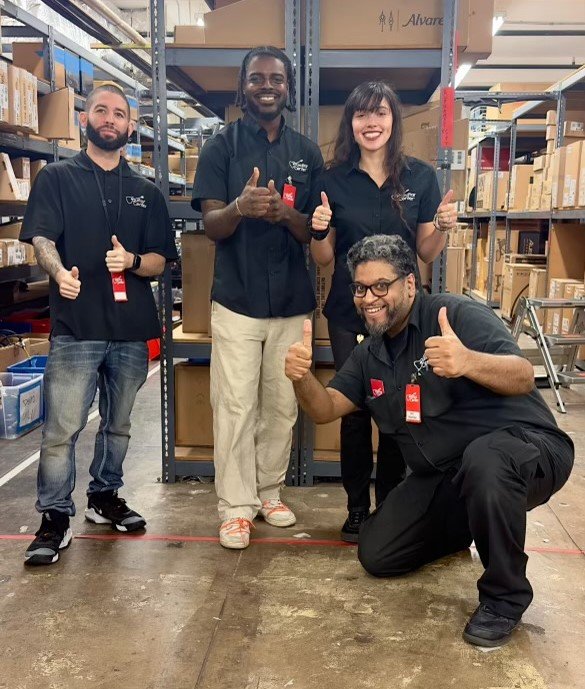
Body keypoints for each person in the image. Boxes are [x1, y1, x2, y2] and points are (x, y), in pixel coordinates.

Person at [285, 235, 573, 647]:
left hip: (526, 449)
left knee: (486, 460)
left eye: (381, 286)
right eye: (361, 288)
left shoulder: (454, 315)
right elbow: (326, 408)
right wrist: (302, 378)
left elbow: (523, 375)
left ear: (409, 283)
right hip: (448, 473)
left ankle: (504, 599)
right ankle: (463, 525)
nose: (369, 298)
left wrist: (468, 361)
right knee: (377, 553)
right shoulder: (372, 354)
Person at [20, 84, 178, 566]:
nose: (110, 119)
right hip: (77, 324)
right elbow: (42, 237)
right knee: (62, 426)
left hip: (130, 328)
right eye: (101, 111)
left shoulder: (146, 191)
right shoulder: (58, 178)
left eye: (120, 114)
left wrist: (131, 259)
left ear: (131, 127)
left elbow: (160, 261)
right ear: (86, 117)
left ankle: (104, 497)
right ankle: (54, 517)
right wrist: (57, 271)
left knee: (119, 425)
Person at [308, 81, 457, 541]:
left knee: (400, 410)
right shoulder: (331, 181)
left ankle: (392, 504)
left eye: (380, 114)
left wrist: (445, 228)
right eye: (361, 115)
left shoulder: (420, 177)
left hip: (403, 314)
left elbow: (427, 251)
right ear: (350, 125)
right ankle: (355, 509)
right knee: (354, 412)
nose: (371, 123)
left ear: (393, 121)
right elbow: (324, 259)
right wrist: (317, 231)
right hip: (349, 312)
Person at [191, 46, 323, 549]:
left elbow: (312, 229)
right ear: (242, 86)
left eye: (277, 79)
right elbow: (210, 225)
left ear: (288, 87)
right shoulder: (220, 147)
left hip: (291, 302)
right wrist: (241, 208)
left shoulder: (307, 153)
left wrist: (285, 215)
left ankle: (270, 492)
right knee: (235, 405)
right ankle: (236, 506)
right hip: (237, 301)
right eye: (257, 78)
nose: (267, 86)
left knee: (282, 404)